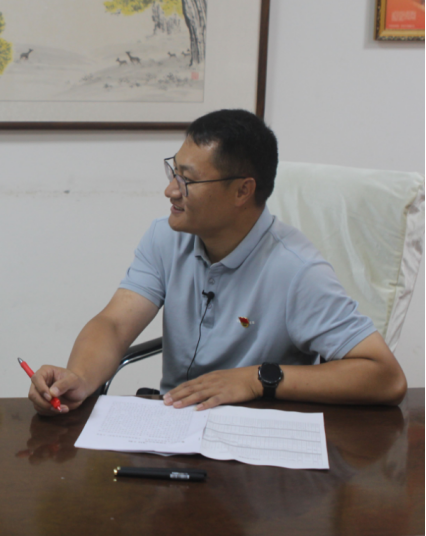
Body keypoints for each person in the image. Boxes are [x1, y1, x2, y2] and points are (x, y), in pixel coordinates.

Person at [29, 109, 407, 415]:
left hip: (255, 443)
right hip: (174, 425)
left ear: (243, 190)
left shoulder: (297, 270)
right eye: (173, 171)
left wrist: (256, 380)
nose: (170, 190)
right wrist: (79, 378)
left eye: (187, 180)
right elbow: (114, 324)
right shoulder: (166, 237)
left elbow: (385, 377)